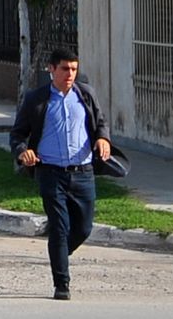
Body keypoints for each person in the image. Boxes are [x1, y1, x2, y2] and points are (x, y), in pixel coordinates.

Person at [10, 48, 112, 301]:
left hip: (83, 172)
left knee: (84, 227)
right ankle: (62, 283)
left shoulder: (85, 94)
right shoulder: (37, 99)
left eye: (74, 69)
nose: (70, 74)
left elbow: (100, 123)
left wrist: (103, 139)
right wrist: (23, 151)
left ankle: (58, 254)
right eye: (65, 69)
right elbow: (18, 134)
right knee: (59, 226)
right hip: (50, 173)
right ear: (51, 69)